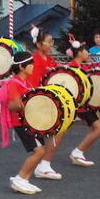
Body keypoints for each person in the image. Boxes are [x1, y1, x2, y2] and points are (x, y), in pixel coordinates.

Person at [2, 52, 45, 195]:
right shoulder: (14, 83)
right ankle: (19, 178)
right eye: (30, 64)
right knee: (38, 152)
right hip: (21, 123)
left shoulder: (26, 82)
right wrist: (25, 105)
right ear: (21, 66)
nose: (33, 66)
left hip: (30, 122)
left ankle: (25, 180)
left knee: (40, 150)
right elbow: (12, 105)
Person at [28, 27, 62, 180]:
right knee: (44, 141)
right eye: (48, 42)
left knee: (57, 132)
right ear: (39, 44)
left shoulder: (49, 59)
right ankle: (41, 167)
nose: (51, 45)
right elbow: (33, 85)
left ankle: (44, 165)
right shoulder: (35, 60)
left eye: (51, 42)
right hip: (38, 101)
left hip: (47, 100)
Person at [68, 41, 100, 166]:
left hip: (85, 104)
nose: (88, 53)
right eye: (85, 51)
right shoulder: (73, 67)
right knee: (99, 128)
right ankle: (78, 152)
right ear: (79, 53)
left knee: (97, 128)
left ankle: (78, 152)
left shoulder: (81, 67)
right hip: (81, 106)